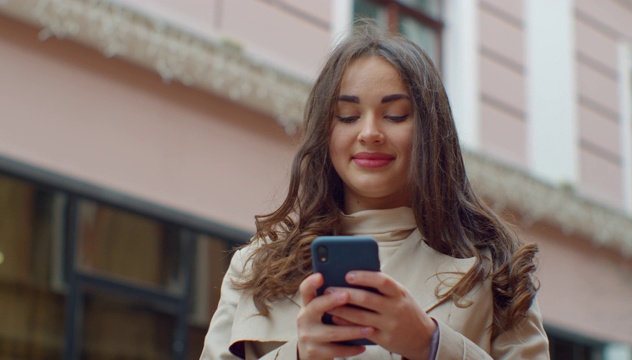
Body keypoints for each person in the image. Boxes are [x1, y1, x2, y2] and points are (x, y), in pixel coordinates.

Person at [200, 23, 549, 359]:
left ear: (430, 129)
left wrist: (431, 344)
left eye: (395, 115)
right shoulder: (257, 266)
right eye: (348, 116)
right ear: (325, 130)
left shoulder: (496, 268)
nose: (369, 132)